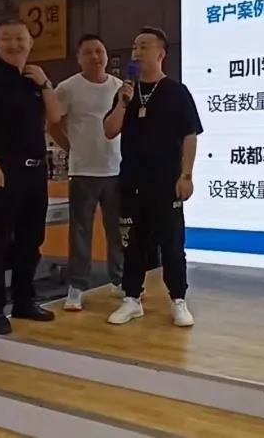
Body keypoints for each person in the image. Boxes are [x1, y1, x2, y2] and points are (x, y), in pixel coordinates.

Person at [0, 19, 63, 335]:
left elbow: (55, 117)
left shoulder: (34, 78)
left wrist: (45, 84)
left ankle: (24, 300)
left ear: (30, 42)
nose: (13, 44)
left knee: (31, 241)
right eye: (6, 38)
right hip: (4, 171)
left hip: (36, 172)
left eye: (19, 38)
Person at [104, 26, 203, 327]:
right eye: (135, 46)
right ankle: (132, 299)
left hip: (166, 181)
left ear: (161, 53)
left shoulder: (176, 92)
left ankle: (178, 300)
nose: (137, 52)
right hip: (132, 181)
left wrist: (186, 175)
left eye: (144, 46)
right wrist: (123, 103)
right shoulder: (126, 92)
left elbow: (190, 135)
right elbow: (109, 131)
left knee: (171, 243)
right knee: (132, 242)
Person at [48, 34, 125, 311]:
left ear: (106, 55)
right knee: (80, 232)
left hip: (116, 169)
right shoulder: (68, 88)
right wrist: (70, 148)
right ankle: (77, 286)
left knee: (117, 230)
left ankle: (119, 280)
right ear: (79, 58)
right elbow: (53, 123)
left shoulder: (119, 87)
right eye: (89, 52)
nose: (95, 56)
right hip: (83, 171)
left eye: (99, 51)